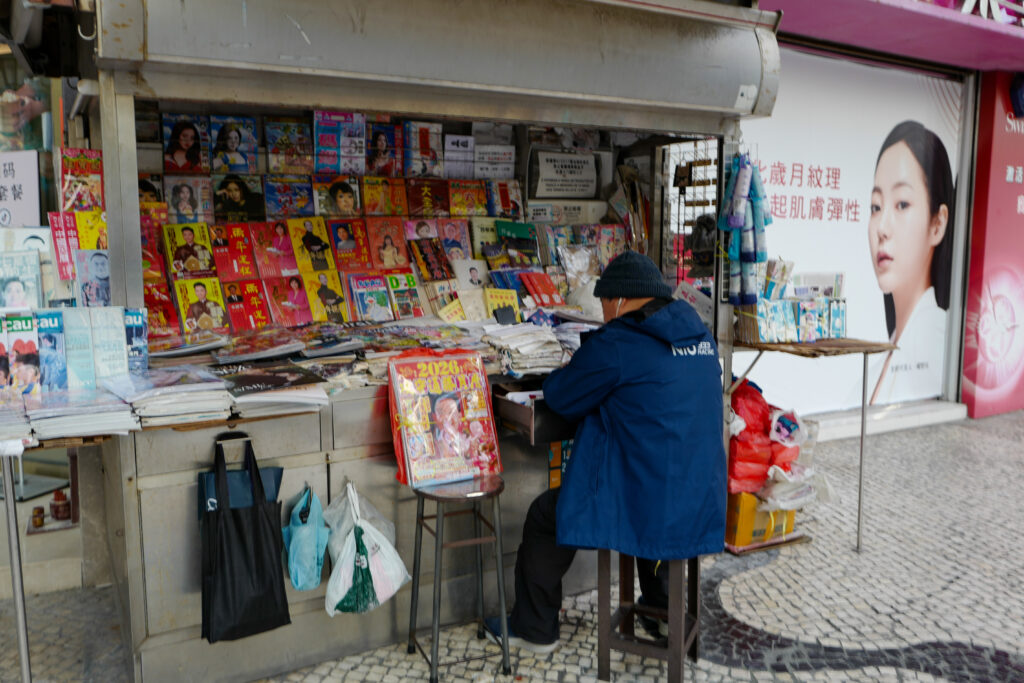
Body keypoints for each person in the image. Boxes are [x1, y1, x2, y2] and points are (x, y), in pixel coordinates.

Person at [485, 251, 726, 652]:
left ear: (618, 300)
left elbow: (561, 396)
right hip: (703, 496)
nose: (602, 313)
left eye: (601, 304)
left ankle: (534, 630)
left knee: (546, 516)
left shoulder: (619, 343)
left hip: (649, 499)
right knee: (656, 495)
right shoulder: (699, 335)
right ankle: (660, 611)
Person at [868, 120, 954, 405]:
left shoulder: (938, 341)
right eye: (876, 207)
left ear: (937, 223)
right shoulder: (884, 357)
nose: (882, 227)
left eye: (902, 204)